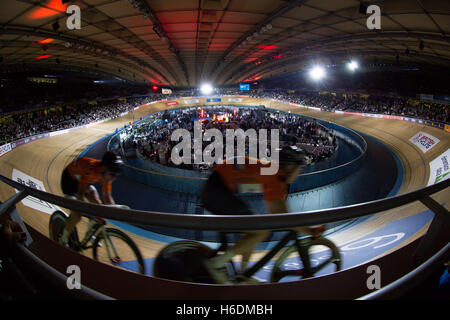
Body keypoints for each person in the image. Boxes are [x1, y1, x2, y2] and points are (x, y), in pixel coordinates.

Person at [201, 146, 325, 284]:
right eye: (299, 168)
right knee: (260, 230)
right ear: (289, 167)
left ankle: (242, 275)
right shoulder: (275, 176)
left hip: (219, 189)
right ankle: (216, 263)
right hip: (217, 191)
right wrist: (310, 230)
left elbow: (279, 215)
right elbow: (284, 217)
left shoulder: (275, 172)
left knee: (256, 227)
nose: (299, 173)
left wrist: (304, 227)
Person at [59, 151, 123, 247]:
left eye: (116, 175)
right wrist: (93, 212)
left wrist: (117, 210)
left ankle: (89, 234)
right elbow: (80, 195)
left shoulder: (106, 174)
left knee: (97, 205)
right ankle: (63, 239)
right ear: (105, 169)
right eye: (113, 175)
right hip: (69, 182)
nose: (114, 178)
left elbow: (107, 197)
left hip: (82, 181)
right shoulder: (90, 168)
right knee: (77, 215)